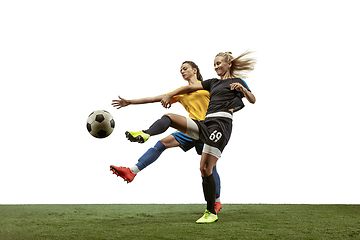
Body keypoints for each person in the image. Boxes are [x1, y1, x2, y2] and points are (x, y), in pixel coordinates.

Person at [125, 51, 256, 223]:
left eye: (219, 63)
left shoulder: (237, 82)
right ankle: (145, 134)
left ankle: (212, 210)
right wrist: (170, 95)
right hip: (205, 123)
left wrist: (244, 90)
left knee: (206, 168)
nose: (216, 67)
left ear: (229, 64)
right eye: (214, 64)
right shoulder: (212, 83)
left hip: (221, 126)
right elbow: (188, 88)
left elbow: (253, 99)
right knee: (170, 118)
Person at [110, 61, 222, 214]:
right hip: (192, 128)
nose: (182, 71)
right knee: (161, 143)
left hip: (209, 129)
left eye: (185, 68)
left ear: (194, 70)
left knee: (209, 166)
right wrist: (129, 102)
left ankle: (216, 201)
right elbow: (154, 98)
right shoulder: (180, 92)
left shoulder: (208, 86)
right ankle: (133, 170)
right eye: (180, 69)